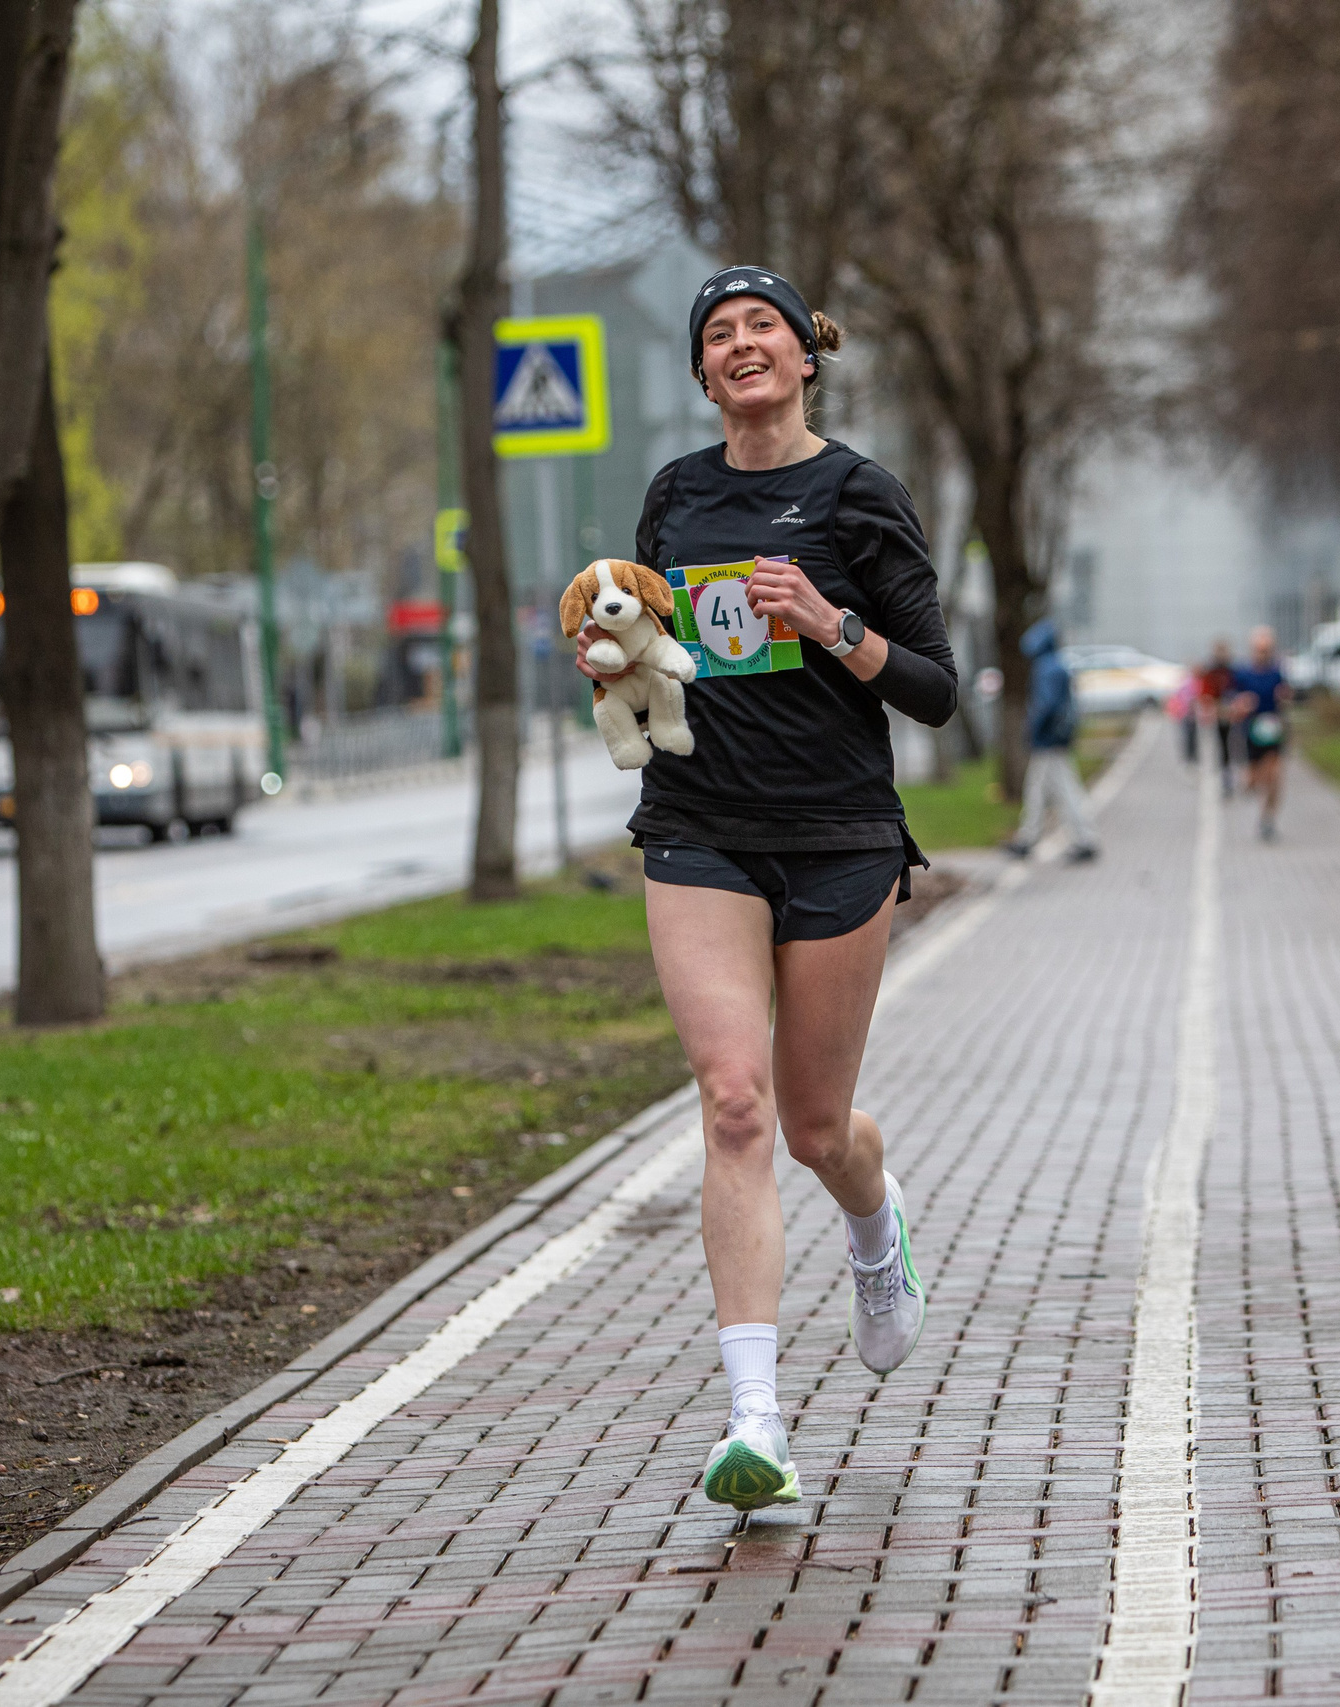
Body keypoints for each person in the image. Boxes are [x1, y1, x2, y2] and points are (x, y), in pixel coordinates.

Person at [576, 266, 959, 1512]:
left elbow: (936, 685)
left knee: (812, 1127)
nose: (742, 346)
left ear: (806, 358)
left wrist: (833, 624)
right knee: (732, 1105)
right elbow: (652, 644)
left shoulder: (859, 495)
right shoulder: (676, 495)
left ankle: (872, 1221)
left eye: (764, 330)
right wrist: (610, 660)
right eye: (719, 335)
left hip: (840, 834)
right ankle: (756, 1423)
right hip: (699, 827)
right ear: (702, 373)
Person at [1004, 618, 1099, 863]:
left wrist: (1032, 731)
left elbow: (1044, 707)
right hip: (1056, 739)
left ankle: (1080, 839)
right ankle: (1032, 838)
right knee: (1043, 789)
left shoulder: (1047, 668)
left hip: (1047, 741)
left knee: (1057, 790)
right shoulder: (1057, 665)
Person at [1227, 625, 1291, 840]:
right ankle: (1251, 782)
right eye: (1260, 650)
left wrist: (1284, 696)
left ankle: (1268, 819)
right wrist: (1241, 703)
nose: (1264, 654)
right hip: (1251, 730)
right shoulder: (1243, 673)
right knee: (1255, 779)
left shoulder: (1277, 672)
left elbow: (1285, 696)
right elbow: (1232, 700)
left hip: (1273, 729)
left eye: (1267, 649)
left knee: (1275, 776)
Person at [1196, 639, 1237, 795]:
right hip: (1220, 711)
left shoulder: (1232, 670)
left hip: (1234, 711)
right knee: (1223, 744)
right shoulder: (1211, 671)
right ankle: (1225, 774)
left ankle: (1233, 772)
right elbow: (1205, 692)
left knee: (1234, 745)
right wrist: (1209, 706)